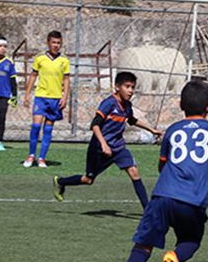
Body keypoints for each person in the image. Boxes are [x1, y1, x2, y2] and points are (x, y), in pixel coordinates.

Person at [125, 80, 208, 262]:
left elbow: (162, 164)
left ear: (181, 105)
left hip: (162, 196)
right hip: (192, 200)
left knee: (143, 246)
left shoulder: (172, 130)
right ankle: (174, 257)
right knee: (190, 241)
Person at [53, 72, 162, 209]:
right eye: (127, 86)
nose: (130, 91)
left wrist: (151, 130)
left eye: (133, 87)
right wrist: (104, 144)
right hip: (98, 148)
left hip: (118, 147)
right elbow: (95, 125)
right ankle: (61, 182)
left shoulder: (127, 105)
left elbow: (132, 120)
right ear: (117, 87)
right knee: (88, 179)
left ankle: (147, 210)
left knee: (134, 172)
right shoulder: (109, 103)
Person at [22, 31, 70, 168]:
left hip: (55, 99)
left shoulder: (64, 61)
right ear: (48, 43)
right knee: (36, 127)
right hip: (41, 97)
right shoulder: (40, 58)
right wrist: (27, 94)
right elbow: (33, 76)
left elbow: (66, 80)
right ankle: (31, 155)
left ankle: (42, 158)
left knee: (48, 130)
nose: (56, 45)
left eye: (58, 43)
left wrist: (65, 96)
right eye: (53, 42)